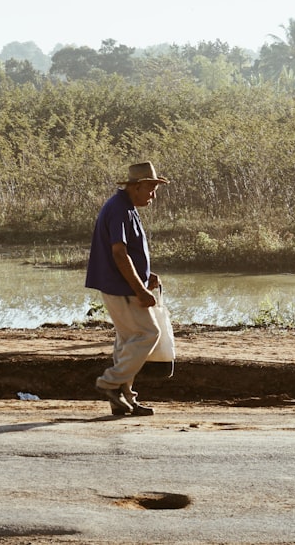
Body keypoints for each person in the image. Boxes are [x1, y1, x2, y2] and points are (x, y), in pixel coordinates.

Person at [85, 161, 170, 416]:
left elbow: (128, 253)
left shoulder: (126, 207)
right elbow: (120, 254)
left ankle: (123, 399)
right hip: (121, 287)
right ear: (135, 187)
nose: (153, 195)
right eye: (151, 188)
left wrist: (146, 276)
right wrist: (140, 289)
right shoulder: (119, 209)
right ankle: (109, 382)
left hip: (122, 284)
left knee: (127, 342)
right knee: (147, 334)